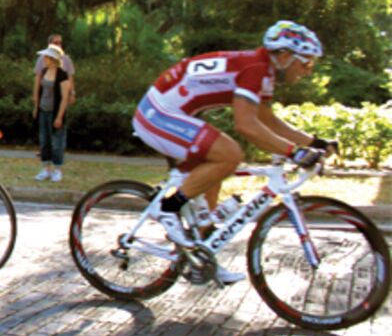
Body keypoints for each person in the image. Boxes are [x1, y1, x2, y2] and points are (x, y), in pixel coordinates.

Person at [132, 20, 335, 284]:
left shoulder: (264, 71)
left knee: (214, 172)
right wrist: (293, 152)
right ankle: (167, 208)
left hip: (174, 112)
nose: (308, 70)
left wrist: (315, 142)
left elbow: (267, 120)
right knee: (229, 154)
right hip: (157, 113)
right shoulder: (256, 69)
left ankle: (202, 258)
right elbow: (246, 125)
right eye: (306, 63)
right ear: (285, 56)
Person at [31, 44, 72, 182]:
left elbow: (65, 98)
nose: (43, 59)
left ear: (53, 59)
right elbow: (39, 92)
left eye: (46, 57)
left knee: (58, 142)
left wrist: (59, 116)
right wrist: (36, 108)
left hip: (55, 112)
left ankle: (57, 170)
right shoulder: (43, 72)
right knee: (44, 141)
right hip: (44, 111)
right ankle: (45, 169)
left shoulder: (62, 75)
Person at [33, 34, 76, 104]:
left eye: (60, 42)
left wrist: (72, 93)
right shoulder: (41, 59)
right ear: (50, 44)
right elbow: (38, 77)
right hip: (44, 96)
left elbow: (70, 77)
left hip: (61, 96)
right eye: (56, 43)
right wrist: (35, 95)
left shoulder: (66, 59)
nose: (59, 45)